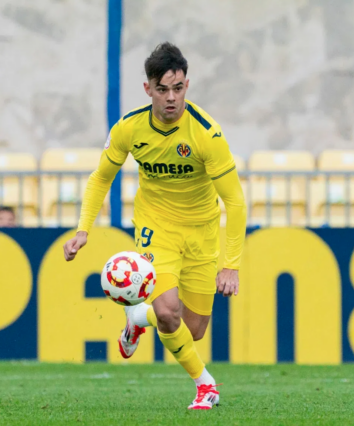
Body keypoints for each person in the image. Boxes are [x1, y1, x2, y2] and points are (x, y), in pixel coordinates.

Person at [63, 42, 246, 410]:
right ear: (148, 89)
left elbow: (235, 201)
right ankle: (205, 385)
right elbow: (101, 178)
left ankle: (136, 317)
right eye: (162, 90)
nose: (171, 98)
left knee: (191, 330)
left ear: (187, 86)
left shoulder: (206, 134)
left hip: (201, 232)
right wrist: (83, 228)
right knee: (167, 312)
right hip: (155, 229)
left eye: (177, 89)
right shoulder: (129, 128)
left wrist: (231, 265)